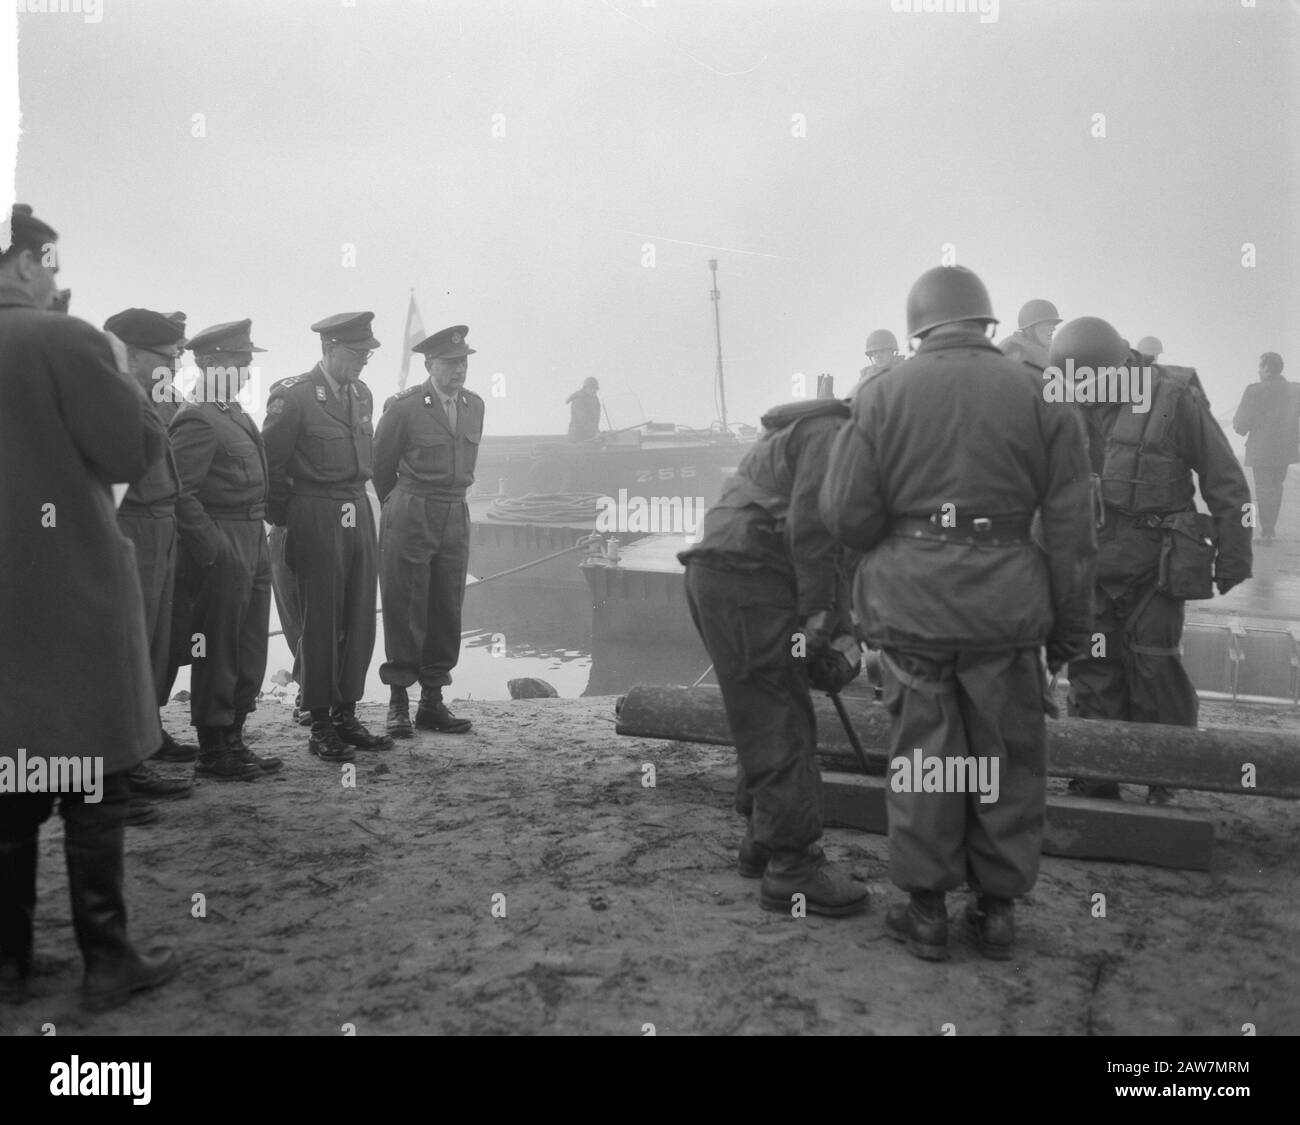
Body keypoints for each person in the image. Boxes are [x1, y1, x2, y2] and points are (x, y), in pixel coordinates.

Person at [821, 266, 1096, 961]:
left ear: (919, 326)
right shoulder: (1042, 394)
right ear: (987, 323)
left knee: (925, 759)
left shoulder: (881, 394)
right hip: (1006, 617)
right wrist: (1067, 636)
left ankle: (926, 912)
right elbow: (1072, 533)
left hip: (912, 614)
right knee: (1005, 758)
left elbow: (846, 516)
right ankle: (997, 912)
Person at [0, 203, 179, 1009]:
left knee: (11, 774)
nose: (55, 278)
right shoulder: (60, 338)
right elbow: (128, 453)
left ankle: (8, 963)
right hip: (70, 588)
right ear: (26, 261)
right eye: (50, 262)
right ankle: (106, 959)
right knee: (94, 776)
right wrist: (113, 364)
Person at [678, 397, 869, 917]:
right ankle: (793, 869)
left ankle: (763, 841)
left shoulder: (826, 435)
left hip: (735, 576)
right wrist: (817, 619)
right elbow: (814, 527)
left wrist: (839, 632)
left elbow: (838, 553)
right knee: (780, 716)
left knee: (765, 711)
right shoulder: (834, 435)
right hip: (746, 580)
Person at [1054, 318, 1253, 804]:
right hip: (1091, 567)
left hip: (1155, 567)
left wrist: (1234, 556)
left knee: (1154, 667)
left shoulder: (1173, 397)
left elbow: (1224, 478)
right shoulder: (1061, 400)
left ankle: (1168, 776)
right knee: (1094, 666)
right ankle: (1095, 773)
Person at [263, 312, 392, 762]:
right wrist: (289, 520)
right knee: (321, 620)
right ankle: (319, 723)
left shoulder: (363, 395)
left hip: (356, 506)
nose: (363, 362)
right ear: (329, 348)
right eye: (356, 353)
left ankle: (347, 714)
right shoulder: (294, 396)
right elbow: (271, 467)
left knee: (358, 614)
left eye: (367, 354)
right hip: (314, 511)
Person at [170, 320, 278, 780]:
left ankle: (235, 738)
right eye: (240, 363)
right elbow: (181, 494)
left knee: (250, 645)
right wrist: (214, 549)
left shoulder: (232, 411)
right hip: (224, 542)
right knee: (217, 649)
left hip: (254, 539)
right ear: (211, 363)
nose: (248, 372)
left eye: (248, 363)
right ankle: (213, 750)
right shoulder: (197, 416)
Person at [103, 308, 198, 809]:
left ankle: (142, 744)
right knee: (123, 648)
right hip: (128, 527)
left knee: (154, 645)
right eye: (167, 358)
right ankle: (116, 773)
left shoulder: (155, 398)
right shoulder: (106, 398)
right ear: (132, 353)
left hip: (159, 527)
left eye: (178, 357)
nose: (176, 367)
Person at [374, 325, 484, 736]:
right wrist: (400, 507)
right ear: (429, 364)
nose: (459, 370)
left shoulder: (475, 405)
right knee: (405, 605)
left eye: (464, 362)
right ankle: (398, 703)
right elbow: (381, 466)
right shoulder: (404, 406)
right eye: (451, 363)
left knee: (446, 605)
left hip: (455, 512)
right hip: (411, 509)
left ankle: (432, 702)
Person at [1233, 352, 1298, 547]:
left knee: (1264, 489)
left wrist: (1239, 427)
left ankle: (1267, 533)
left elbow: (1242, 423)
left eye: (1260, 367)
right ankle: (1269, 529)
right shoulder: (1295, 390)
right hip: (1285, 449)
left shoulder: (1254, 391)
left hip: (1261, 450)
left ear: (1267, 369)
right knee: (1276, 488)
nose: (1258, 371)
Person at [997, 298, 1061, 368]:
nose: (1053, 328)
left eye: (1053, 324)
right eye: (1047, 324)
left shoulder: (1050, 352)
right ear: (1030, 328)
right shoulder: (1013, 351)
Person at [566, 377, 601, 441]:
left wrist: (597, 431)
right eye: (591, 388)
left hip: (588, 435)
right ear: (585, 388)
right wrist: (594, 432)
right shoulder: (579, 400)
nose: (593, 391)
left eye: (595, 389)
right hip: (577, 437)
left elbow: (595, 418)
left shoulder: (594, 399)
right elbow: (583, 419)